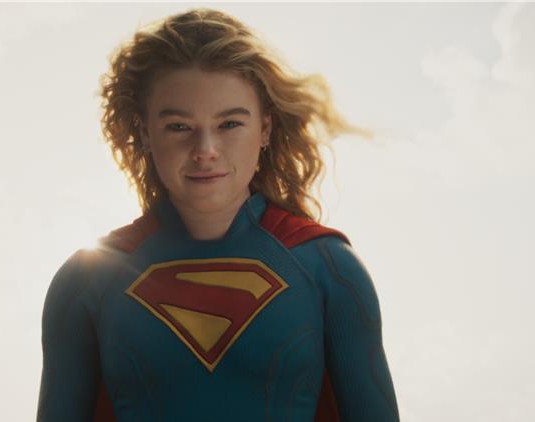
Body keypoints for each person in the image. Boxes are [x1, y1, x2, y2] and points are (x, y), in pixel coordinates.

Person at [38, 8, 399, 422]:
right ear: (144, 132)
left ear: (265, 129)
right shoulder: (85, 282)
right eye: (179, 126)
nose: (205, 150)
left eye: (229, 124)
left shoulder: (329, 269)